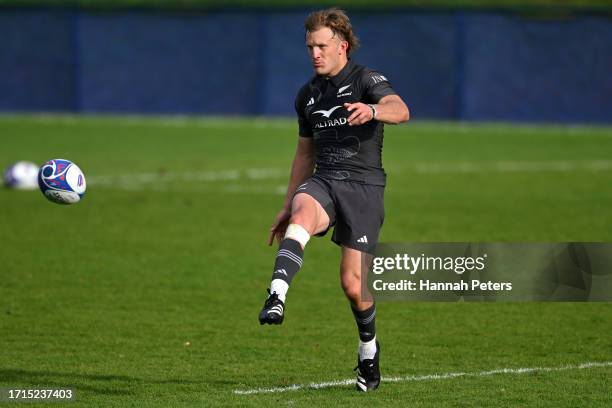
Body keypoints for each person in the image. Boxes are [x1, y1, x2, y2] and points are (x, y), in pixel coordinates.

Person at [258, 8, 409, 392]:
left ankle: (368, 350)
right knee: (301, 212)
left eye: (322, 46)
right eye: (310, 46)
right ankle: (277, 294)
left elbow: (401, 110)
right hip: (325, 179)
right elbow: (304, 155)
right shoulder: (307, 95)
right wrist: (287, 201)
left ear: (342, 45)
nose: (315, 53)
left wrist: (373, 109)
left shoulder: (366, 79)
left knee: (353, 286)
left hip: (363, 187)